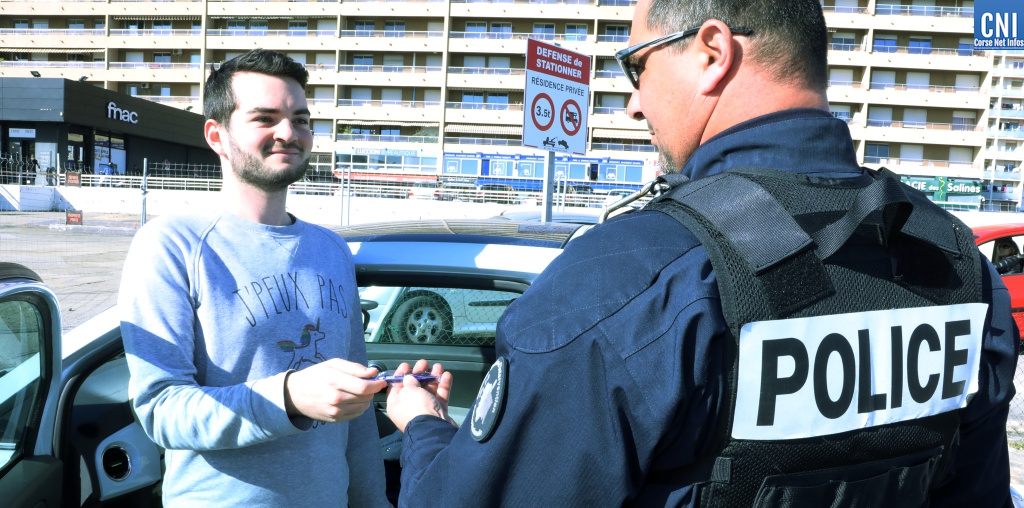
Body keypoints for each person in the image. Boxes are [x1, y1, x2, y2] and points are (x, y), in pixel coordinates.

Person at [384, 1, 1018, 506]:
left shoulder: (632, 276)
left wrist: (423, 426)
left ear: (712, 52)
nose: (632, 103)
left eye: (637, 67)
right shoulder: (952, 261)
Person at [118, 49, 391, 507]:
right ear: (217, 135)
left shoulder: (332, 249)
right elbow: (161, 410)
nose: (289, 133)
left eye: (300, 119)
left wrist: (372, 501)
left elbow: (356, 424)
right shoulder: (171, 244)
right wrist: (288, 397)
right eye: (265, 118)